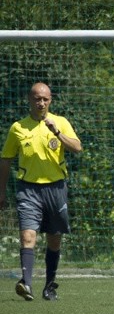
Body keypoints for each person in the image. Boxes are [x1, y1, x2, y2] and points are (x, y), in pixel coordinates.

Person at [0, 82, 82, 301]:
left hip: (56, 188)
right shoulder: (18, 128)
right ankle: (26, 284)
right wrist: (1, 192)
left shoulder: (61, 122)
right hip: (28, 189)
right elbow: (6, 159)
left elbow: (77, 147)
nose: (41, 103)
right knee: (27, 236)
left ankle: (49, 286)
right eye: (37, 99)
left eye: (45, 99)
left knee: (54, 239)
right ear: (30, 100)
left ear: (50, 100)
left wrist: (57, 132)